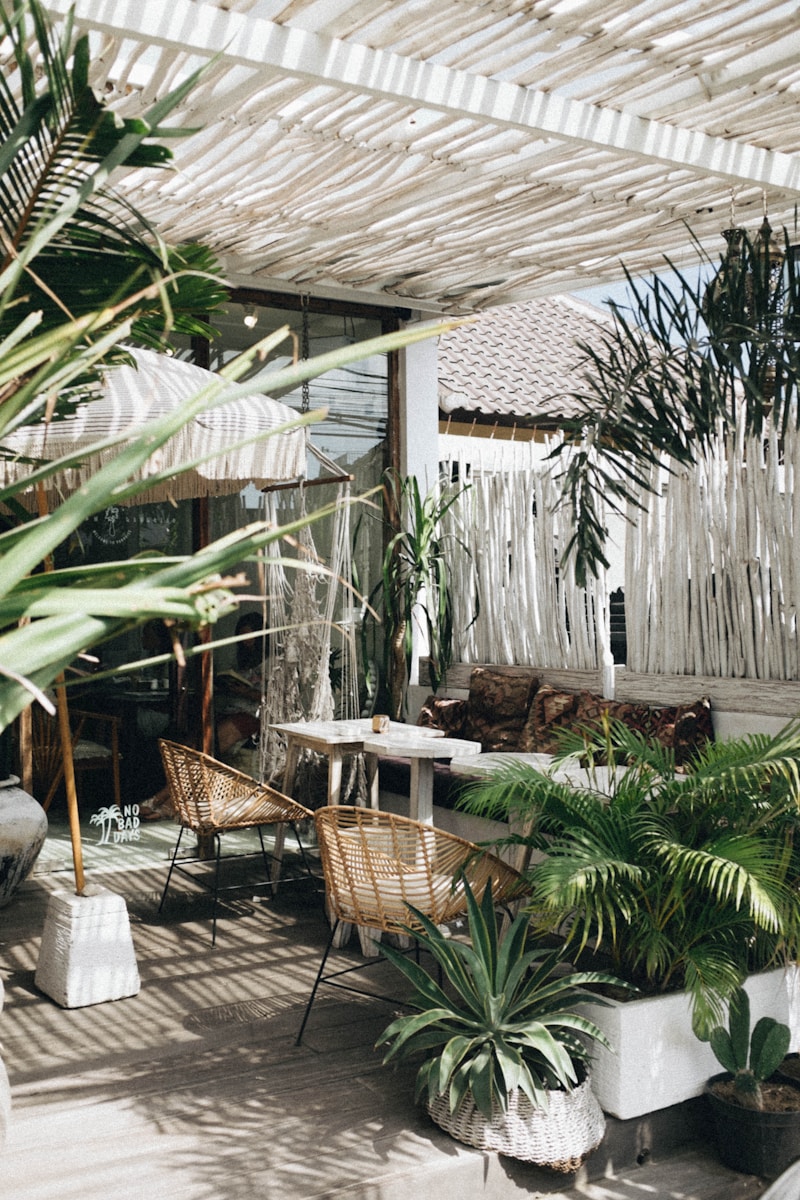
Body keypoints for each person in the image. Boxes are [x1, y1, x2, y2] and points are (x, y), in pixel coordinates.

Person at [215, 611, 267, 759]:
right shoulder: (243, 659)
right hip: (232, 708)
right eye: (243, 638)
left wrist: (246, 692)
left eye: (250, 638)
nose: (246, 643)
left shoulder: (272, 662)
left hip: (253, 715)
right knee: (202, 732)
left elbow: (272, 699)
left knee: (216, 741)